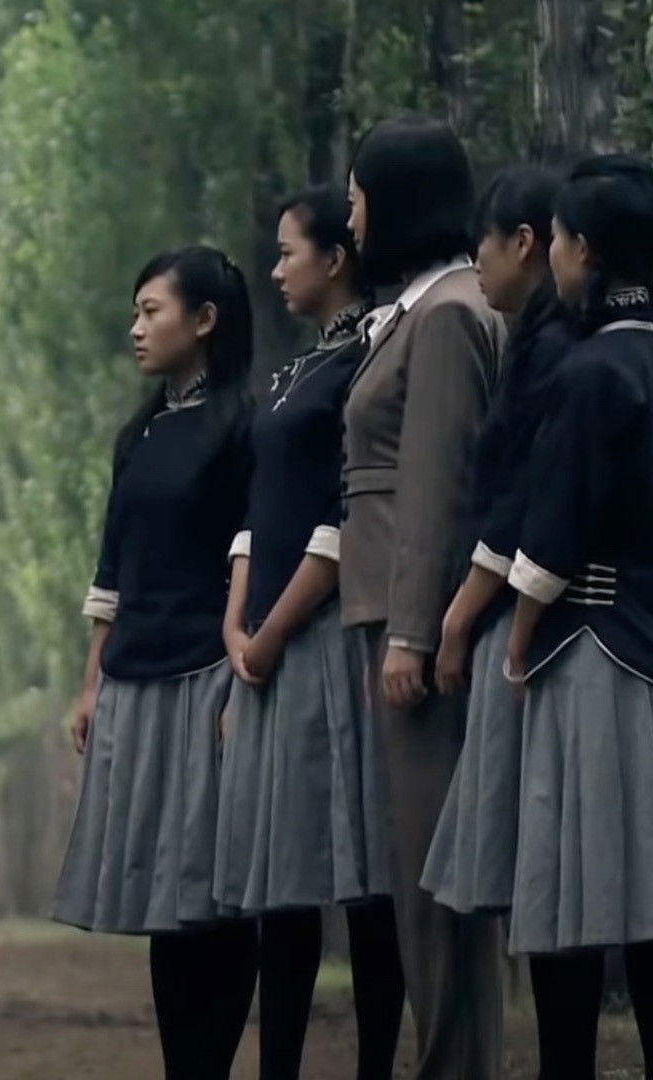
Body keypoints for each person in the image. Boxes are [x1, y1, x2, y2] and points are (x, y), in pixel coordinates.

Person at [52, 245, 258, 1079]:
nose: (135, 328)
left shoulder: (244, 427)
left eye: (151, 311)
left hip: (210, 679)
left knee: (214, 893)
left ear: (204, 321)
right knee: (165, 901)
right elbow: (113, 571)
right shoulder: (137, 436)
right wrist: (91, 681)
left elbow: (253, 555)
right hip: (135, 682)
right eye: (134, 313)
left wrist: (243, 676)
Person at [213, 186, 405, 1080]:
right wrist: (237, 622)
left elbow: (343, 515)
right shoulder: (293, 372)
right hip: (266, 644)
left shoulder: (370, 356)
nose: (277, 268)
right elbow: (262, 508)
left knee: (362, 881)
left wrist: (274, 630)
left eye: (290, 252)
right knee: (282, 883)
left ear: (336, 258)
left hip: (326, 636)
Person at [341, 114, 507, 1078]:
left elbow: (436, 486)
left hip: (419, 629)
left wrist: (410, 632)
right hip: (389, 615)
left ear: (397, 202)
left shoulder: (446, 313)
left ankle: (459, 1062)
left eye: (359, 198)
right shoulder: (422, 309)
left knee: (436, 877)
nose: (351, 220)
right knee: (417, 872)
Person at [504, 152, 653, 1078]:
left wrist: (518, 644)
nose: (553, 257)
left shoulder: (592, 370)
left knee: (572, 900)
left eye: (558, 240)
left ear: (585, 250)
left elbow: (553, 528)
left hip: (596, 650)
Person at [420, 166, 572, 925]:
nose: (475, 259)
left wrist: (458, 618)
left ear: (524, 243)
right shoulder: (533, 342)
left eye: (483, 241)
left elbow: (521, 497)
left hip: (530, 617)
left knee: (541, 854)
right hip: (516, 607)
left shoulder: (556, 350)